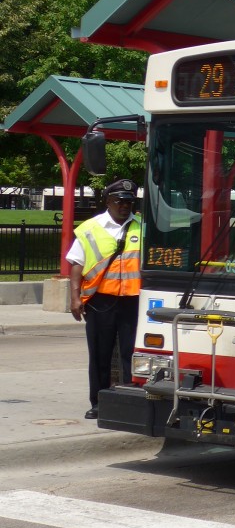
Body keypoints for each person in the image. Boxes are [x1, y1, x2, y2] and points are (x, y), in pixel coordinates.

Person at [66, 179, 142, 420]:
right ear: (108, 201)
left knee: (133, 353)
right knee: (100, 352)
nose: (125, 206)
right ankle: (98, 402)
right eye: (119, 201)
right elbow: (76, 264)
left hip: (132, 299)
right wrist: (75, 298)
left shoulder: (142, 227)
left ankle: (133, 401)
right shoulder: (90, 228)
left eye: (129, 202)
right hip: (100, 300)